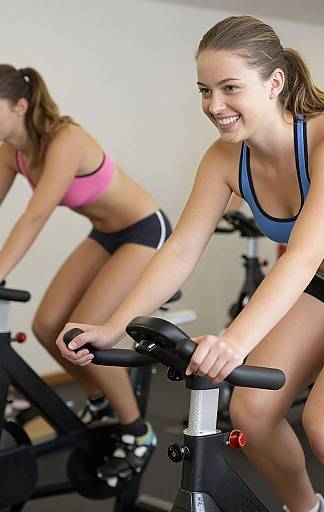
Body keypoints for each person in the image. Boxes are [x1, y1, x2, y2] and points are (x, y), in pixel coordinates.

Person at [56, 16, 324, 511]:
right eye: (205, 90)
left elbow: (301, 256)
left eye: (230, 87)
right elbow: (181, 248)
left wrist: (236, 341)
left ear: (274, 83)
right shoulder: (223, 159)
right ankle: (306, 508)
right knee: (251, 413)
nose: (214, 106)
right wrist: (114, 326)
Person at [0, 64, 172, 483]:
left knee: (83, 332)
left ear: (20, 106)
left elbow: (36, 215)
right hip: (105, 233)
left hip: (146, 230)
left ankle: (136, 431)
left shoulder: (65, 140)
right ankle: (100, 399)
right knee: (46, 326)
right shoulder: (10, 149)